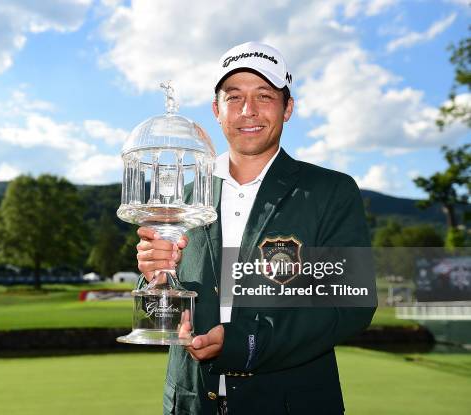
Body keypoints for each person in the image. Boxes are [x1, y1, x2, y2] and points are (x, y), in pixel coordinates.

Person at [136, 41, 376, 415]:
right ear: (217, 110)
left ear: (288, 108)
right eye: (234, 97)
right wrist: (155, 276)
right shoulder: (183, 197)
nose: (248, 111)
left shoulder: (329, 191)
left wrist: (241, 342)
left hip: (290, 403)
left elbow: (350, 305)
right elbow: (158, 315)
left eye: (264, 96)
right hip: (190, 403)